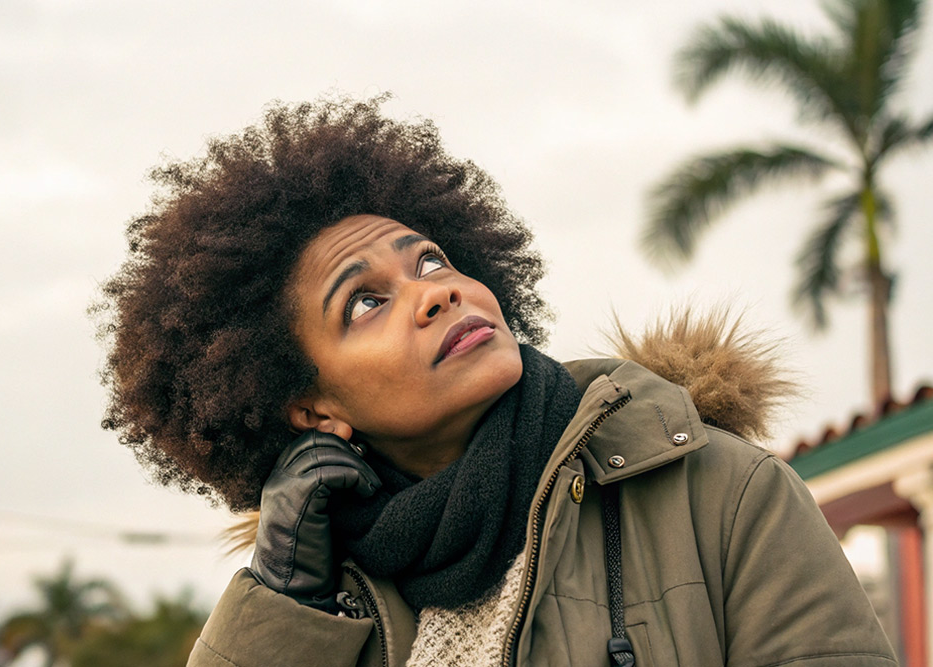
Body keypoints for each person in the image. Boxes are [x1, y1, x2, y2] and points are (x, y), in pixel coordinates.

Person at [97, 96, 896, 666]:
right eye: (366, 301)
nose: (436, 291)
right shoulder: (327, 595)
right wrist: (284, 608)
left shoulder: (721, 491)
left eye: (432, 260)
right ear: (313, 404)